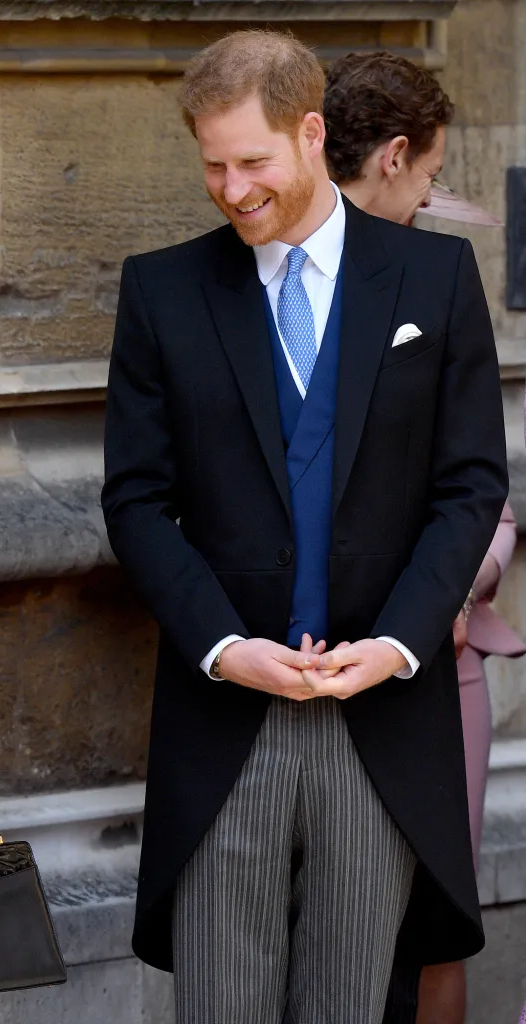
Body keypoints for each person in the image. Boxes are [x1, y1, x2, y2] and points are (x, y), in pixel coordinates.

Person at [101, 29, 508, 1024]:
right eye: (213, 164)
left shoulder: (434, 279)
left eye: (253, 162)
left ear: (312, 133)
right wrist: (224, 646)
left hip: (381, 716)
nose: (232, 189)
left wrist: (401, 645)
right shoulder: (162, 291)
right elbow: (136, 502)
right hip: (225, 718)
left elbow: (472, 485)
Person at [323, 50, 525, 1024]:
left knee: (437, 915)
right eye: (433, 175)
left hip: (437, 670)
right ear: (394, 156)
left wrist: (438, 603)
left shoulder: (442, 272)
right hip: (302, 672)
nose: (434, 194)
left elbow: (483, 486)